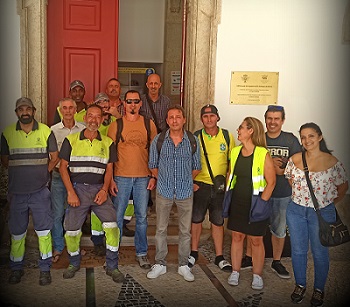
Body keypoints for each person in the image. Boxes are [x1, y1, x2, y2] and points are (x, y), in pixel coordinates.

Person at [285, 122, 348, 306]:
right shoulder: (295, 159)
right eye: (303, 137)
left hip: (321, 213)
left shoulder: (332, 162)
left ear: (320, 137)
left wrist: (328, 204)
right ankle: (300, 285)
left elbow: (343, 187)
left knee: (320, 252)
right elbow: (290, 180)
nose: (307, 140)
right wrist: (302, 198)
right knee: (298, 250)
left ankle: (319, 289)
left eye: (311, 136)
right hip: (296, 210)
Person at [59, 104, 124, 283]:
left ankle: (112, 266)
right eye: (90, 116)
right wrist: (71, 192)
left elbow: (109, 169)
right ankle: (73, 263)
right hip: (77, 189)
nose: (94, 120)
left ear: (102, 119)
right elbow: (62, 167)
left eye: (98, 117)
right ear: (85, 118)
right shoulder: (71, 140)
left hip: (99, 191)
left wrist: (104, 190)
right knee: (71, 230)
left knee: (112, 227)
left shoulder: (108, 142)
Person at [1, 97, 59, 286]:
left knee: (44, 232)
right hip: (17, 193)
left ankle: (45, 269)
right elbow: (4, 160)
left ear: (34, 111)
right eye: (20, 109)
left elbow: (54, 158)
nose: (24, 112)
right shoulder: (7, 133)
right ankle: (16, 269)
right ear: (16, 112)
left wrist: (43, 174)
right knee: (17, 233)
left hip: (40, 192)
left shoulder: (45, 131)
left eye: (28, 109)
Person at [241, 105, 301, 279]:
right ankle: (249, 257)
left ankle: (276, 261)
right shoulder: (259, 138)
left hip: (282, 193)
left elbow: (299, 163)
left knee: (279, 229)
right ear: (265, 119)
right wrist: (271, 166)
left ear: (282, 120)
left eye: (276, 118)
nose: (272, 122)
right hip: (258, 192)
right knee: (252, 227)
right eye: (269, 118)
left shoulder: (290, 140)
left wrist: (282, 170)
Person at [147, 104, 201, 282]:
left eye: (178, 117)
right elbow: (153, 165)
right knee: (161, 229)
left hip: (186, 191)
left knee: (185, 231)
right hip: (164, 190)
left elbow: (196, 167)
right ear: (167, 120)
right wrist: (164, 179)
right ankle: (160, 263)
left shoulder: (192, 140)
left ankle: (183, 265)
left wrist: (185, 180)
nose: (175, 120)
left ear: (184, 119)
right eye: (171, 117)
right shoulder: (159, 140)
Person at [108, 90, 157, 269]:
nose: (133, 105)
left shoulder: (148, 124)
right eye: (129, 101)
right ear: (124, 103)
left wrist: (153, 175)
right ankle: (114, 252)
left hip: (143, 178)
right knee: (117, 216)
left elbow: (154, 152)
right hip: (121, 177)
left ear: (140, 104)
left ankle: (142, 253)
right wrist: (111, 179)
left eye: (136, 101)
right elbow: (110, 155)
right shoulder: (116, 125)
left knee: (142, 217)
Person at [226, 117, 275, 290]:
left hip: (257, 203)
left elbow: (271, 182)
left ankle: (257, 275)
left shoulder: (262, 153)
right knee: (237, 237)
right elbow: (231, 175)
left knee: (256, 240)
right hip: (238, 202)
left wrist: (262, 204)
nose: (238, 131)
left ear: (251, 131)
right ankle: (235, 271)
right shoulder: (235, 152)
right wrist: (228, 199)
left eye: (241, 128)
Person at [188, 104, 235, 271]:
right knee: (196, 220)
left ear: (218, 117)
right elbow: (189, 162)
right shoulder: (195, 136)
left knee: (217, 221)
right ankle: (193, 252)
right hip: (200, 185)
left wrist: (229, 185)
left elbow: (231, 162)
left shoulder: (227, 136)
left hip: (219, 187)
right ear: (201, 119)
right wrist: (191, 182)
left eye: (212, 116)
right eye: (205, 116)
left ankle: (219, 256)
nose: (209, 119)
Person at [50, 98, 85, 263]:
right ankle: (58, 247)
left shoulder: (83, 129)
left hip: (77, 177)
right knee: (57, 214)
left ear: (76, 110)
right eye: (65, 108)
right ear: (60, 110)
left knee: (75, 214)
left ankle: (75, 247)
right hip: (58, 177)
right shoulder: (53, 130)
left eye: (71, 108)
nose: (68, 111)